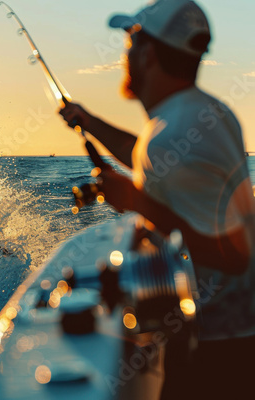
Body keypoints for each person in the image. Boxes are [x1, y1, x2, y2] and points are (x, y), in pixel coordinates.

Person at [59, 0, 255, 399]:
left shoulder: (175, 131)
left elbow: (236, 256)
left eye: (131, 42)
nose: (125, 54)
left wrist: (137, 202)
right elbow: (154, 159)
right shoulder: (200, 114)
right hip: (230, 334)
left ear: (148, 54)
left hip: (217, 349)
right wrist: (90, 122)